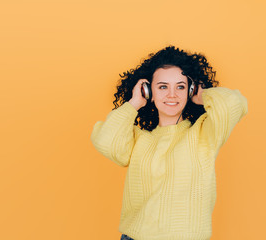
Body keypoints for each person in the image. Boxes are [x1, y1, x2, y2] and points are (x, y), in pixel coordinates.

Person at [90, 45, 248, 240]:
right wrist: (135, 103)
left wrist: (202, 95)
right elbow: (105, 141)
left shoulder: (205, 133)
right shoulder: (139, 139)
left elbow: (234, 103)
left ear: (190, 90)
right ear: (149, 91)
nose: (172, 94)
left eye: (180, 86)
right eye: (163, 86)